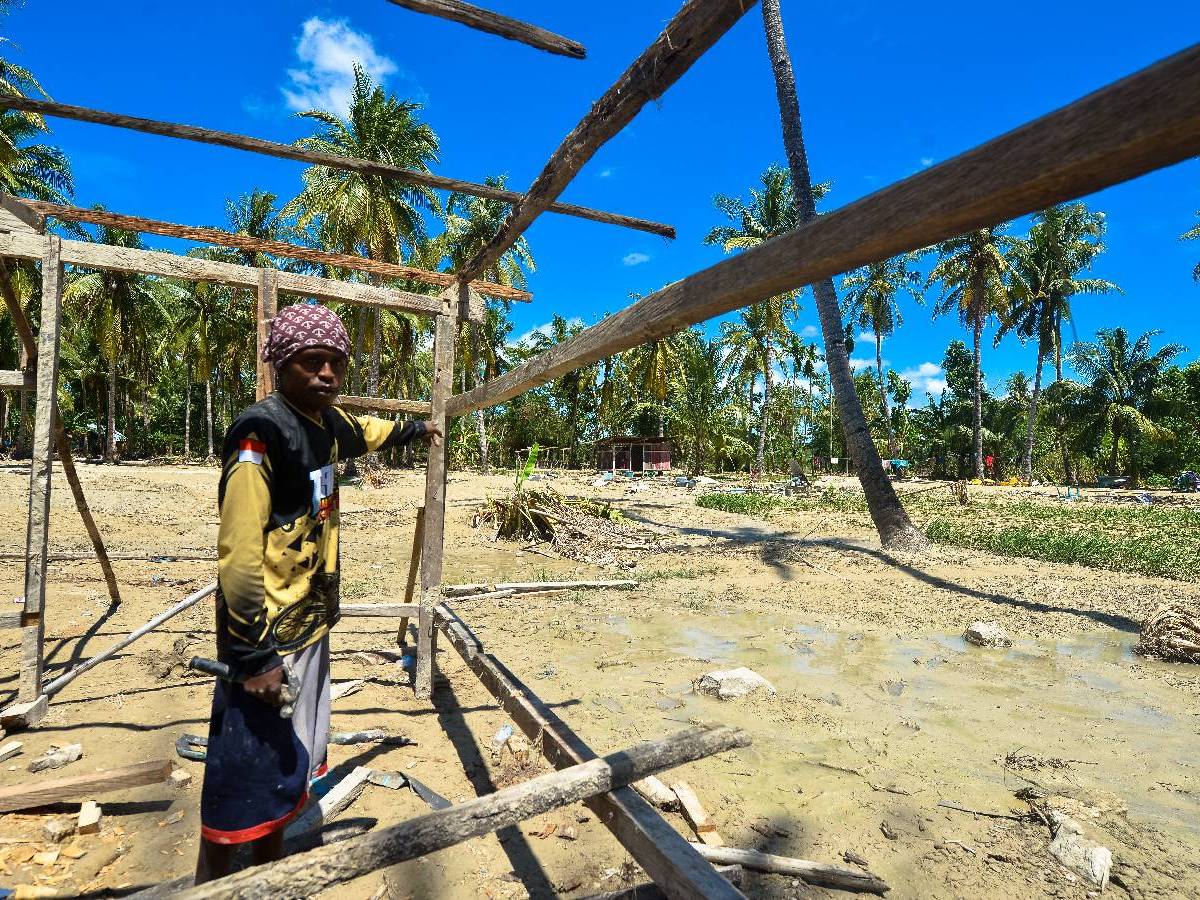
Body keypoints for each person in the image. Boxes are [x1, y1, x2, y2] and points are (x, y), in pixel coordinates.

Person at [195, 301, 441, 882]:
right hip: (266, 638)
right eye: (311, 362)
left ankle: (269, 876)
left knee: (285, 766)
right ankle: (215, 887)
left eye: (335, 363)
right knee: (242, 786)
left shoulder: (327, 425)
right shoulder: (262, 433)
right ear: (282, 364)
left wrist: (418, 428)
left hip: (307, 624)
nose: (326, 374)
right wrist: (253, 657)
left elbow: (372, 431)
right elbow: (238, 551)